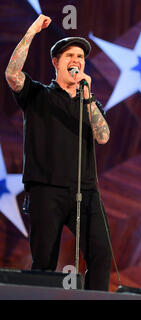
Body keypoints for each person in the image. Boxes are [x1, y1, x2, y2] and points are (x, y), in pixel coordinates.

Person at [5, 14, 112, 291]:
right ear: (56, 63)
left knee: (101, 255)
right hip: (46, 190)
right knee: (44, 262)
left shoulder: (89, 102)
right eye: (69, 55)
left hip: (85, 191)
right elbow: (12, 74)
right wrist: (31, 32)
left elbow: (103, 136)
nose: (76, 60)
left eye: (80, 56)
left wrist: (87, 98)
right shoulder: (38, 95)